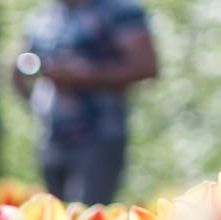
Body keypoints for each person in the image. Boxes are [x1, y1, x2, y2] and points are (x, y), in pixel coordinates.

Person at [13, 0, 158, 205]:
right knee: (52, 214)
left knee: (88, 211)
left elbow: (146, 67)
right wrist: (35, 102)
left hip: (99, 134)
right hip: (51, 136)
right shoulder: (45, 15)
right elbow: (19, 66)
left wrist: (85, 75)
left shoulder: (120, 10)